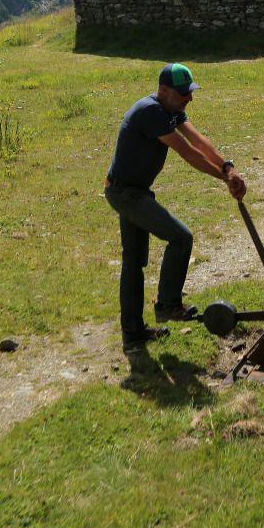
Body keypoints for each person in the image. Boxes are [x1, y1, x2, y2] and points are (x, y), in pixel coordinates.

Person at [104, 62, 246, 350]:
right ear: (163, 90)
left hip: (133, 191)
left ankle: (133, 333)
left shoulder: (170, 109)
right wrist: (223, 177)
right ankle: (168, 305)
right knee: (180, 237)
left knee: (134, 262)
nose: (189, 98)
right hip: (125, 194)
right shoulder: (151, 111)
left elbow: (198, 140)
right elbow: (187, 152)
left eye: (190, 92)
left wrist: (227, 166)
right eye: (183, 93)